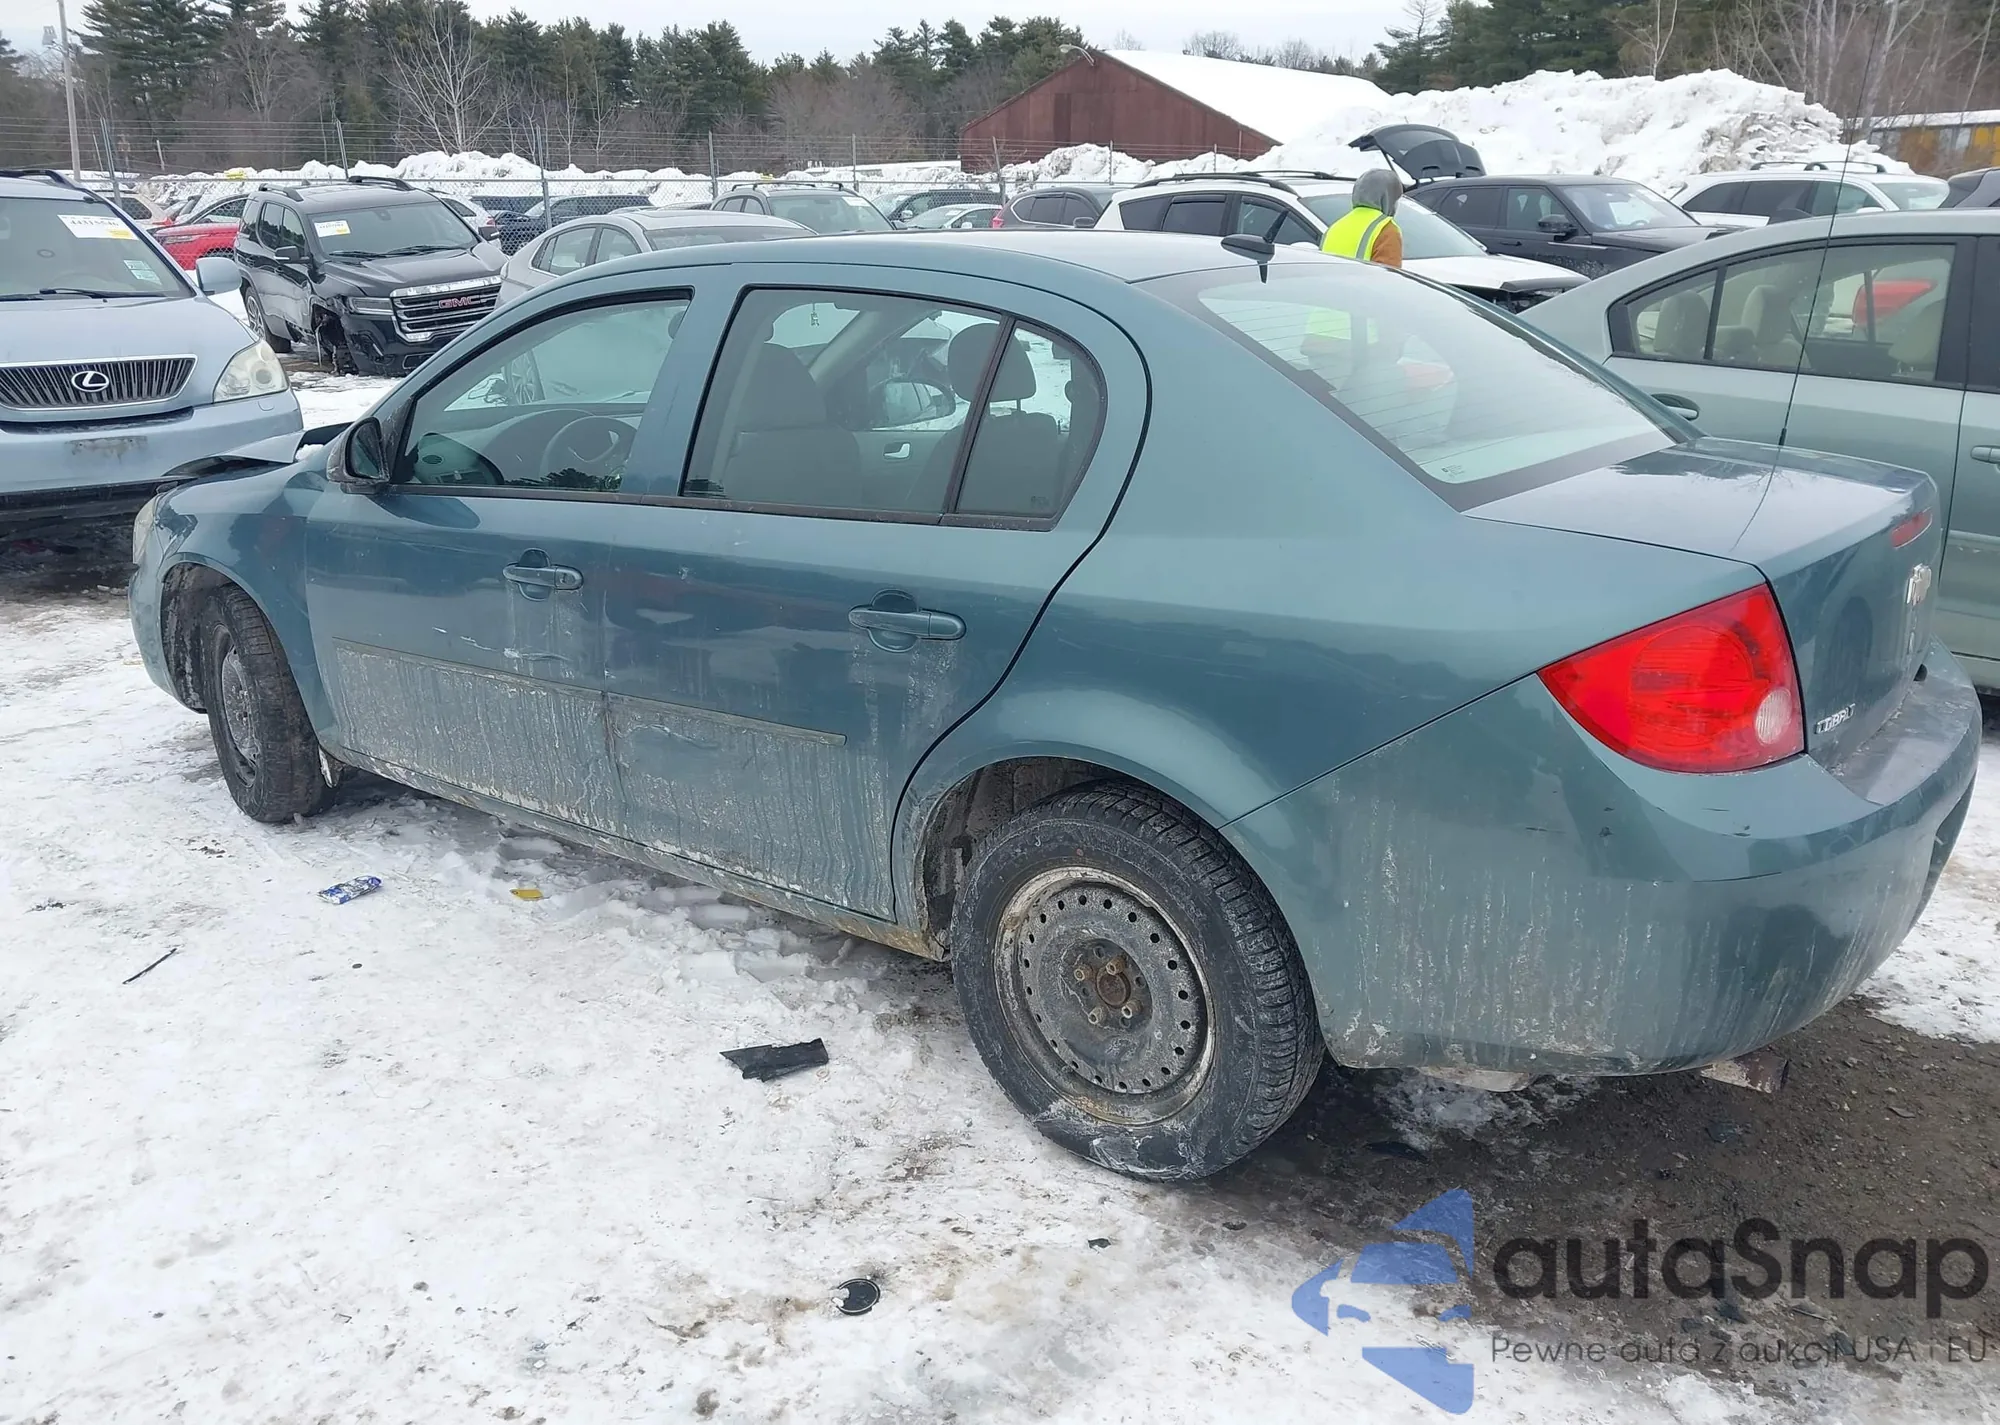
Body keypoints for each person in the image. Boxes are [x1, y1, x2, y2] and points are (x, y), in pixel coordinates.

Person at [1321, 168, 1404, 268]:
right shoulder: (1386, 230)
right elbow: (1388, 275)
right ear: (1387, 199)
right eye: (1396, 200)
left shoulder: (1334, 228)